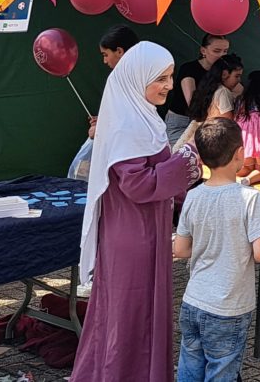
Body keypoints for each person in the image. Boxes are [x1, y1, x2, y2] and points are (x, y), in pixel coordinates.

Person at [73, 43, 202, 382]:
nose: (169, 85)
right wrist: (186, 160)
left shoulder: (140, 118)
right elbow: (139, 185)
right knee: (129, 319)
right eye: (161, 78)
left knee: (136, 316)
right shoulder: (126, 126)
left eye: (171, 77)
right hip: (132, 239)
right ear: (136, 79)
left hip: (146, 233)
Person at [174, 118, 260, 382]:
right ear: (240, 153)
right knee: (221, 371)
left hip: (194, 299)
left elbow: (181, 249)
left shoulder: (193, 195)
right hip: (229, 306)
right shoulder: (250, 198)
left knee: (189, 367)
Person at [166, 34, 231, 144]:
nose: (222, 55)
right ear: (203, 51)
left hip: (206, 122)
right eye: (217, 51)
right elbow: (193, 105)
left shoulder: (224, 71)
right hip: (181, 122)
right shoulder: (189, 69)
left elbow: (238, 88)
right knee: (182, 157)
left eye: (225, 51)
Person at [177, 54, 245, 150]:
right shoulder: (223, 92)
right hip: (214, 144)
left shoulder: (210, 89)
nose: (239, 80)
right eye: (237, 76)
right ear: (225, 74)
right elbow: (228, 124)